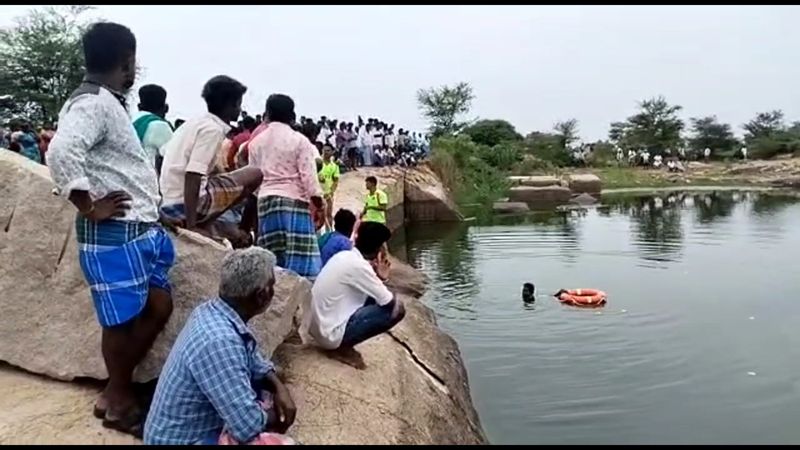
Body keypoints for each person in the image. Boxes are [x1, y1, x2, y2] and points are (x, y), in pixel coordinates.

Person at [47, 22, 175, 436]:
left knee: (158, 305)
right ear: (127, 62)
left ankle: (115, 388)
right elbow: (63, 150)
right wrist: (88, 205)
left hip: (136, 227)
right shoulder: (93, 103)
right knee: (119, 321)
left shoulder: (107, 102)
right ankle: (118, 398)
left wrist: (153, 207)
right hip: (114, 232)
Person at [144, 248, 297, 445]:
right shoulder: (221, 341)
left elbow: (254, 360)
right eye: (272, 285)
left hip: (176, 432)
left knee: (265, 384)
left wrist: (279, 387)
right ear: (261, 295)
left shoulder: (212, 311)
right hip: (183, 441)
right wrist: (277, 413)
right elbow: (247, 427)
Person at [159, 75, 263, 246]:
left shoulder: (194, 123)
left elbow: (161, 157)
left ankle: (221, 226)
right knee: (255, 173)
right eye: (238, 104)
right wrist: (192, 227)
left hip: (169, 199)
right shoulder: (212, 130)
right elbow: (193, 174)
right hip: (186, 204)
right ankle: (232, 228)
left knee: (228, 178)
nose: (240, 108)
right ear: (230, 105)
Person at [302, 221, 404, 369]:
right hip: (329, 335)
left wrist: (378, 278)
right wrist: (384, 278)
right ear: (379, 249)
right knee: (398, 310)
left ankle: (341, 341)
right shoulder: (359, 267)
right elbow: (389, 303)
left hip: (318, 327)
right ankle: (342, 347)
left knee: (373, 295)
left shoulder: (345, 256)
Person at [249, 94, 325, 279]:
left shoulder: (256, 143)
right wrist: (320, 205)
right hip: (294, 201)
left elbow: (254, 176)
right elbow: (309, 178)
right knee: (302, 262)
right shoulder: (299, 140)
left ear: (266, 114)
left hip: (266, 201)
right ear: (292, 115)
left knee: (273, 260)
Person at [133, 84, 174, 173]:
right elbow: (174, 157)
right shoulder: (159, 125)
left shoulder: (129, 120)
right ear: (166, 108)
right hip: (148, 180)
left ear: (139, 106)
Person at [318, 144, 340, 228]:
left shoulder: (334, 166)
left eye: (328, 150)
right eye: (324, 150)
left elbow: (335, 181)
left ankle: (329, 233)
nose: (326, 152)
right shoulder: (318, 163)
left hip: (328, 194)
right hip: (317, 193)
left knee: (328, 214)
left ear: (332, 152)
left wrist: (331, 192)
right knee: (316, 215)